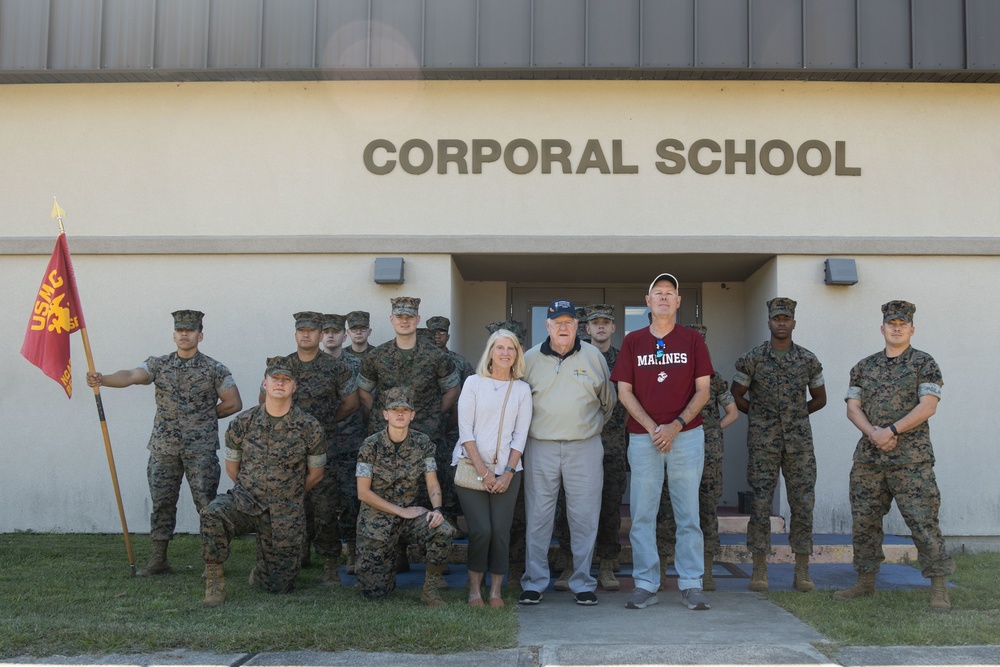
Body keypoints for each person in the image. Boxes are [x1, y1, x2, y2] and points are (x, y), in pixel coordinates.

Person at [86, 310, 242, 577]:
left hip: (200, 450)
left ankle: (212, 562)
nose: (184, 334)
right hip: (163, 448)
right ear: (173, 335)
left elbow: (233, 403)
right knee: (162, 502)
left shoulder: (214, 368)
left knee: (206, 504)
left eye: (190, 330)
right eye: (180, 330)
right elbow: (132, 375)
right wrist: (104, 379)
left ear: (199, 335)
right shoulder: (159, 364)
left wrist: (203, 418)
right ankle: (159, 559)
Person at [835, 300, 954, 611]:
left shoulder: (924, 363)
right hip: (869, 460)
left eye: (902, 323)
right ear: (882, 328)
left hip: (911, 461)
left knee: (923, 522)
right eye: (892, 323)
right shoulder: (864, 366)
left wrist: (891, 431)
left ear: (912, 329)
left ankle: (939, 586)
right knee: (864, 522)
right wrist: (874, 434)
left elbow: (928, 406)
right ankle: (865, 581)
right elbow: (852, 408)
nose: (897, 327)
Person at [611, 273, 713, 611]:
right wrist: (655, 427)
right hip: (644, 439)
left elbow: (703, 390)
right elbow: (623, 391)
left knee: (688, 514)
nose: (665, 298)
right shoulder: (633, 341)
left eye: (670, 293)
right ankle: (645, 582)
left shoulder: (692, 341)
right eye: (659, 293)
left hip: (687, 437)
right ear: (648, 300)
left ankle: (691, 583)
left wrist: (676, 425)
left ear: (679, 302)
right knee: (642, 513)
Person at [201, 356, 325, 606]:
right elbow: (232, 467)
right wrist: (253, 488)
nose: (280, 384)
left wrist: (288, 494)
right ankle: (214, 580)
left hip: (284, 510)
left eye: (286, 380)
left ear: (294, 387)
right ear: (264, 384)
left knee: (278, 587)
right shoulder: (242, 423)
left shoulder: (310, 427)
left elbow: (316, 474)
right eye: (275, 379)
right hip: (246, 502)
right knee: (213, 513)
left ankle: (262, 572)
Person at [518, 299, 616, 607]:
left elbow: (608, 403)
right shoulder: (530, 358)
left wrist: (586, 428)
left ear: (578, 326)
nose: (563, 327)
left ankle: (583, 582)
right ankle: (534, 583)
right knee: (538, 517)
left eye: (568, 322)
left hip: (584, 446)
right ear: (546, 326)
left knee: (584, 517)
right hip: (540, 446)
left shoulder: (594, 357)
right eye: (557, 322)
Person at [731, 297, 826, 593]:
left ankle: (802, 569)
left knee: (803, 504)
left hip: (799, 444)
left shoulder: (808, 360)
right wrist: (760, 416)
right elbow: (737, 395)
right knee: (760, 504)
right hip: (763, 442)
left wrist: (795, 416)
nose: (781, 323)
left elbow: (820, 398)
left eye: (786, 319)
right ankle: (759, 568)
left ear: (793, 323)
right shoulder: (753, 358)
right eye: (777, 318)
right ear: (769, 322)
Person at [357, 298, 460, 549]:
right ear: (392, 320)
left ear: (417, 320)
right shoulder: (377, 356)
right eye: (399, 316)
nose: (404, 321)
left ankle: (435, 555)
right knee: (387, 492)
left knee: (431, 491)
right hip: (387, 439)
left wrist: (432, 415)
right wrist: (386, 416)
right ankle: (395, 556)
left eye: (409, 317)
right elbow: (363, 391)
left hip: (427, 435)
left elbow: (452, 390)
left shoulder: (435, 356)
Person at [266, 311, 358, 585]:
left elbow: (351, 403)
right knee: (293, 504)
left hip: (323, 448)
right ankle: (298, 554)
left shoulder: (336, 367)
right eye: (301, 330)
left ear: (320, 335)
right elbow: (266, 399)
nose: (306, 334)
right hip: (288, 450)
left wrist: (324, 426)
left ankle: (330, 564)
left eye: (311, 330)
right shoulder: (282, 366)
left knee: (325, 507)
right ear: (296, 334)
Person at [452, 329, 532, 607]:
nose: (505, 353)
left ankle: (496, 590)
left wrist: (508, 472)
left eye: (511, 348)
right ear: (490, 352)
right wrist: (484, 472)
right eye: (500, 348)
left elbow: (521, 436)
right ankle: (475, 589)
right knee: (482, 530)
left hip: (508, 471)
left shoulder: (521, 389)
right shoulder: (473, 383)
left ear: (517, 354)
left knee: (500, 530)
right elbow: (466, 432)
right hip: (472, 468)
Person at [656, 324, 738, 592]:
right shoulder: (668, 373)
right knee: (668, 509)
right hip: (674, 449)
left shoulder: (714, 378)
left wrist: (711, 430)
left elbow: (732, 412)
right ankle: (662, 568)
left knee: (705, 511)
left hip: (709, 454)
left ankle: (706, 570)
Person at [355, 387, 455, 605]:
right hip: (376, 519)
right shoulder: (370, 445)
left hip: (408, 516)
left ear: (412, 415)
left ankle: (430, 590)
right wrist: (401, 511)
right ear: (385, 414)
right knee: (375, 593)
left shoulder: (423, 443)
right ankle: (381, 570)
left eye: (405, 410)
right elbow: (363, 492)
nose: (400, 414)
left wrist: (437, 509)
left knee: (443, 529)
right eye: (394, 409)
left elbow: (432, 482)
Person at [552, 304, 628, 592]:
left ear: (613, 328)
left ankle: (607, 564)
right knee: (568, 506)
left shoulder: (624, 359)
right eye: (595, 323)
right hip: (577, 441)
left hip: (612, 445)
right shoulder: (573, 355)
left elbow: (631, 400)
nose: (600, 327)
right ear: (587, 328)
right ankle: (569, 563)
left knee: (610, 506)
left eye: (605, 323)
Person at [323, 313, 364, 575]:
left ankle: (352, 551)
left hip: (351, 440)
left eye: (335, 331)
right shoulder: (312, 364)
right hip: (320, 444)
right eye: (325, 331)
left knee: (352, 500)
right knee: (321, 503)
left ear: (344, 334)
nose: (330, 335)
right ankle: (325, 558)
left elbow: (364, 398)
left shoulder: (357, 364)